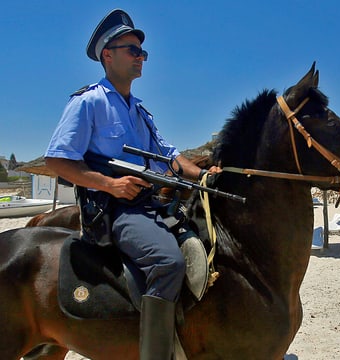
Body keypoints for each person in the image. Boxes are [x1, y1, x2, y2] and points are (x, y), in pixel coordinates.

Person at [44, 9, 217, 359]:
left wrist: (204, 176)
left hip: (151, 204)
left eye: (143, 53)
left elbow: (171, 156)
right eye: (133, 50)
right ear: (108, 55)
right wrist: (110, 184)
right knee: (168, 263)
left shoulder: (140, 111)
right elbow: (57, 160)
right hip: (117, 209)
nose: (141, 58)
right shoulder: (88, 102)